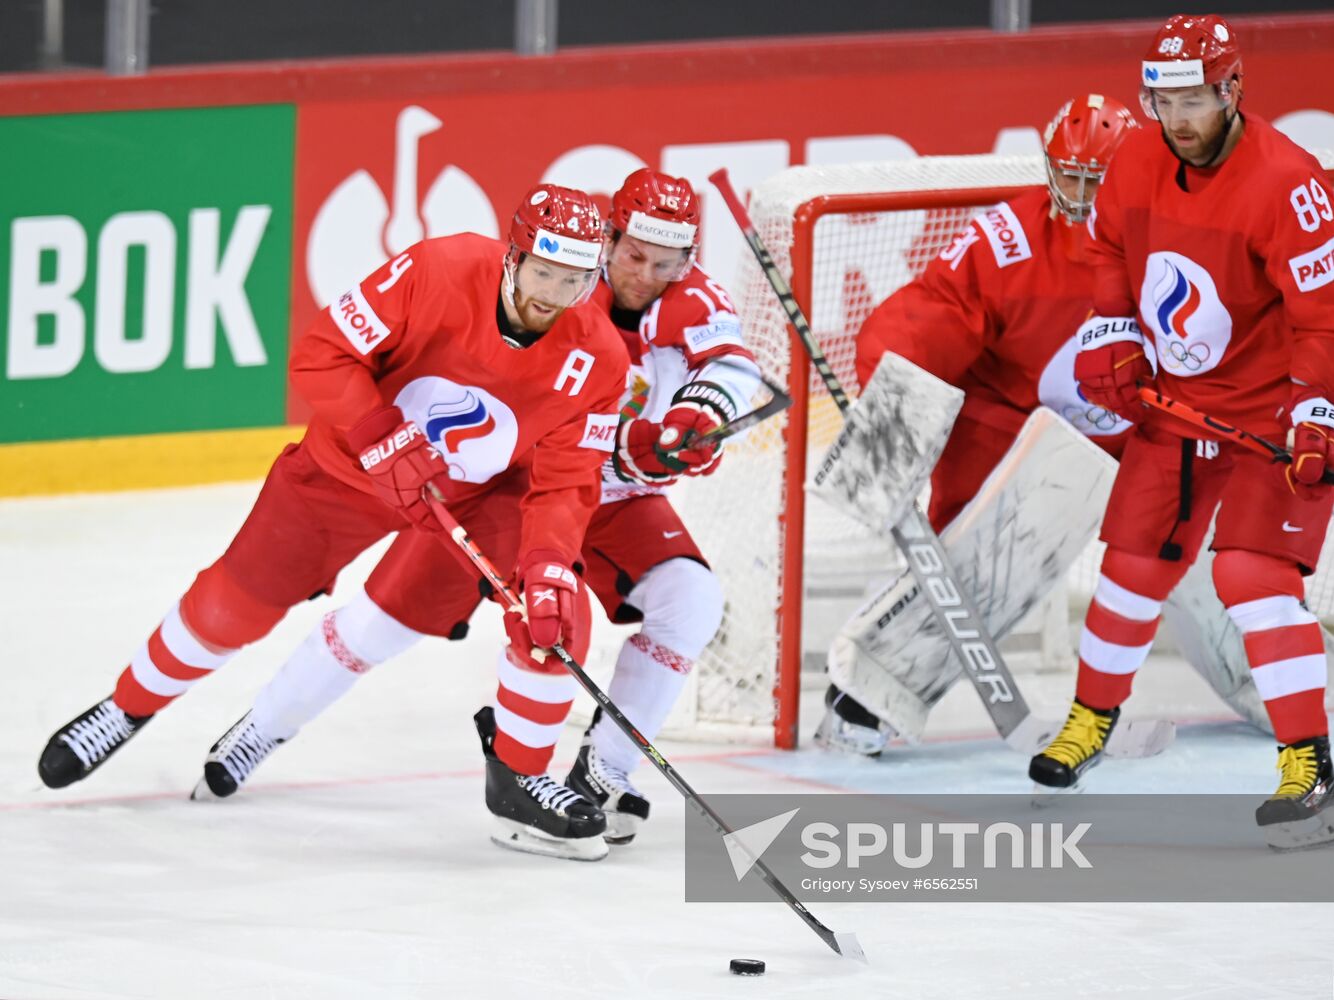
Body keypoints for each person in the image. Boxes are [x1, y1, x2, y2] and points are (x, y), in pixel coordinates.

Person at [39, 183, 631, 856]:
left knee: (552, 611)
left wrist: (550, 561)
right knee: (231, 609)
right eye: (543, 272)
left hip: (473, 500)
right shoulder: (437, 270)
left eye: (575, 279)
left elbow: (568, 479)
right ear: (513, 257)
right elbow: (320, 353)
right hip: (343, 473)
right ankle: (128, 706)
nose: (553, 294)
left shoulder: (600, 359)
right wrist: (383, 435)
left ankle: (520, 781)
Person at [184, 169, 762, 856]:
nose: (648, 275)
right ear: (606, 241)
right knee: (381, 626)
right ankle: (263, 727)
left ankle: (601, 773)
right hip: (510, 493)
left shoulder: (695, 300)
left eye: (667, 263)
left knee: (690, 601)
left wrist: (698, 421)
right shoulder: (561, 280)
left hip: (597, 497)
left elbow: (730, 367)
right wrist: (632, 447)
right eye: (635, 255)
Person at [1031, 15, 1334, 831]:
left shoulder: (1289, 182)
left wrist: (1316, 412)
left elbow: (1324, 317)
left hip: (1272, 414)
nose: (1176, 121)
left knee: (1251, 576)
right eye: (1161, 102)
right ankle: (1091, 719)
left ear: (1232, 90)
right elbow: (1110, 255)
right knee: (1128, 565)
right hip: (1180, 408)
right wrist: (1113, 329)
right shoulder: (1134, 154)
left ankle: (1308, 759)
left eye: (1193, 101)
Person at [817, 94, 1141, 753]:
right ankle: (865, 696)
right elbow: (932, 313)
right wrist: (892, 409)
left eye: (1096, 181)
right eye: (1068, 175)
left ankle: (1278, 682)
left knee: (1218, 551)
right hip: (1006, 415)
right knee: (973, 557)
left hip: (1138, 425)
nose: (1078, 196)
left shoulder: (1178, 231)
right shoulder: (1010, 239)